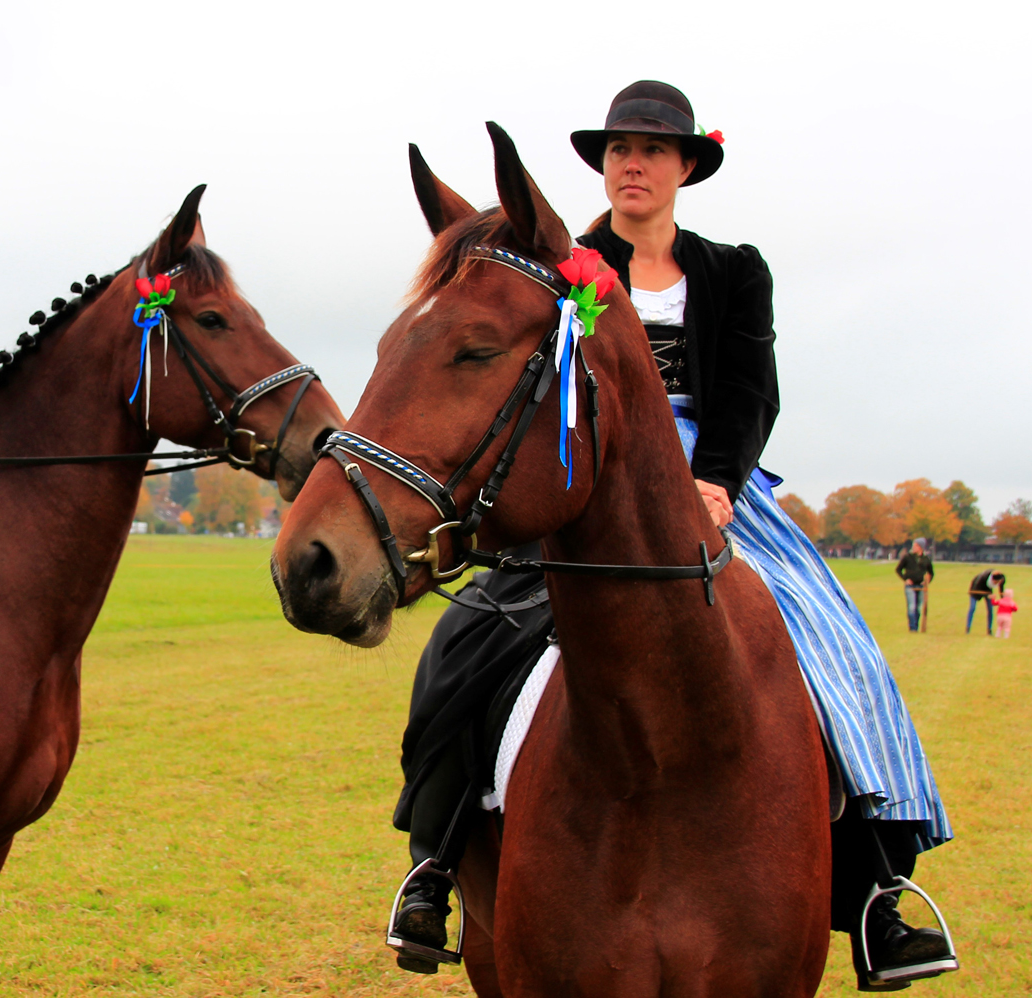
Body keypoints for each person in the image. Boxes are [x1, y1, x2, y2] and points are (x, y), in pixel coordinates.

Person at [389, 82, 954, 993]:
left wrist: (718, 484)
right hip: (584, 474)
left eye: (652, 149)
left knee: (835, 643)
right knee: (468, 640)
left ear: (688, 165)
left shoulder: (733, 270)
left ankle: (877, 890)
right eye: (618, 149)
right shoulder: (561, 268)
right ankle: (435, 862)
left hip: (714, 484)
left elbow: (750, 392)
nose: (632, 163)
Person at [896, 539, 934, 632]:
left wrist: (927, 582)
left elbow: (931, 573)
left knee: (918, 608)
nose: (913, 547)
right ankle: (912, 628)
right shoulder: (907, 557)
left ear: (921, 547)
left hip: (921, 586)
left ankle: (916, 625)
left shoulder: (925, 559)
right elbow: (898, 569)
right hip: (910, 586)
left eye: (916, 546)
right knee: (911, 607)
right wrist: (905, 579)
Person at [966, 569, 1005, 635]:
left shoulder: (1002, 579)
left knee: (990, 609)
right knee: (972, 608)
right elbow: (978, 591)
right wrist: (988, 595)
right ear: (993, 580)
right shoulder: (982, 578)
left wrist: (1003, 600)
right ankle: (968, 628)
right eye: (996, 582)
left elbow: (1001, 589)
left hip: (988, 590)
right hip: (976, 589)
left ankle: (989, 630)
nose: (997, 584)